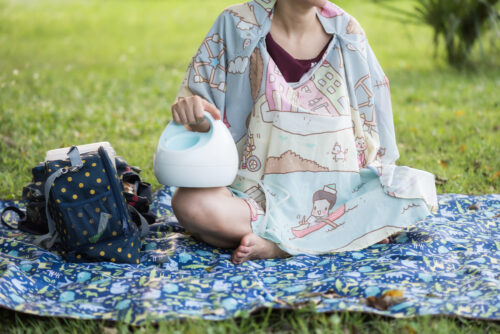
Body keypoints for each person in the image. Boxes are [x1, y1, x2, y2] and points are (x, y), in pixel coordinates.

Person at [170, 0, 438, 265]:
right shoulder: (236, 24)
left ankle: (279, 246)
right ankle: (344, 234)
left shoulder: (346, 32)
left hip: (340, 200)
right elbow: (204, 118)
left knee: (413, 191)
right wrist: (195, 113)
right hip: (255, 199)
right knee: (188, 204)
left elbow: (373, 125)